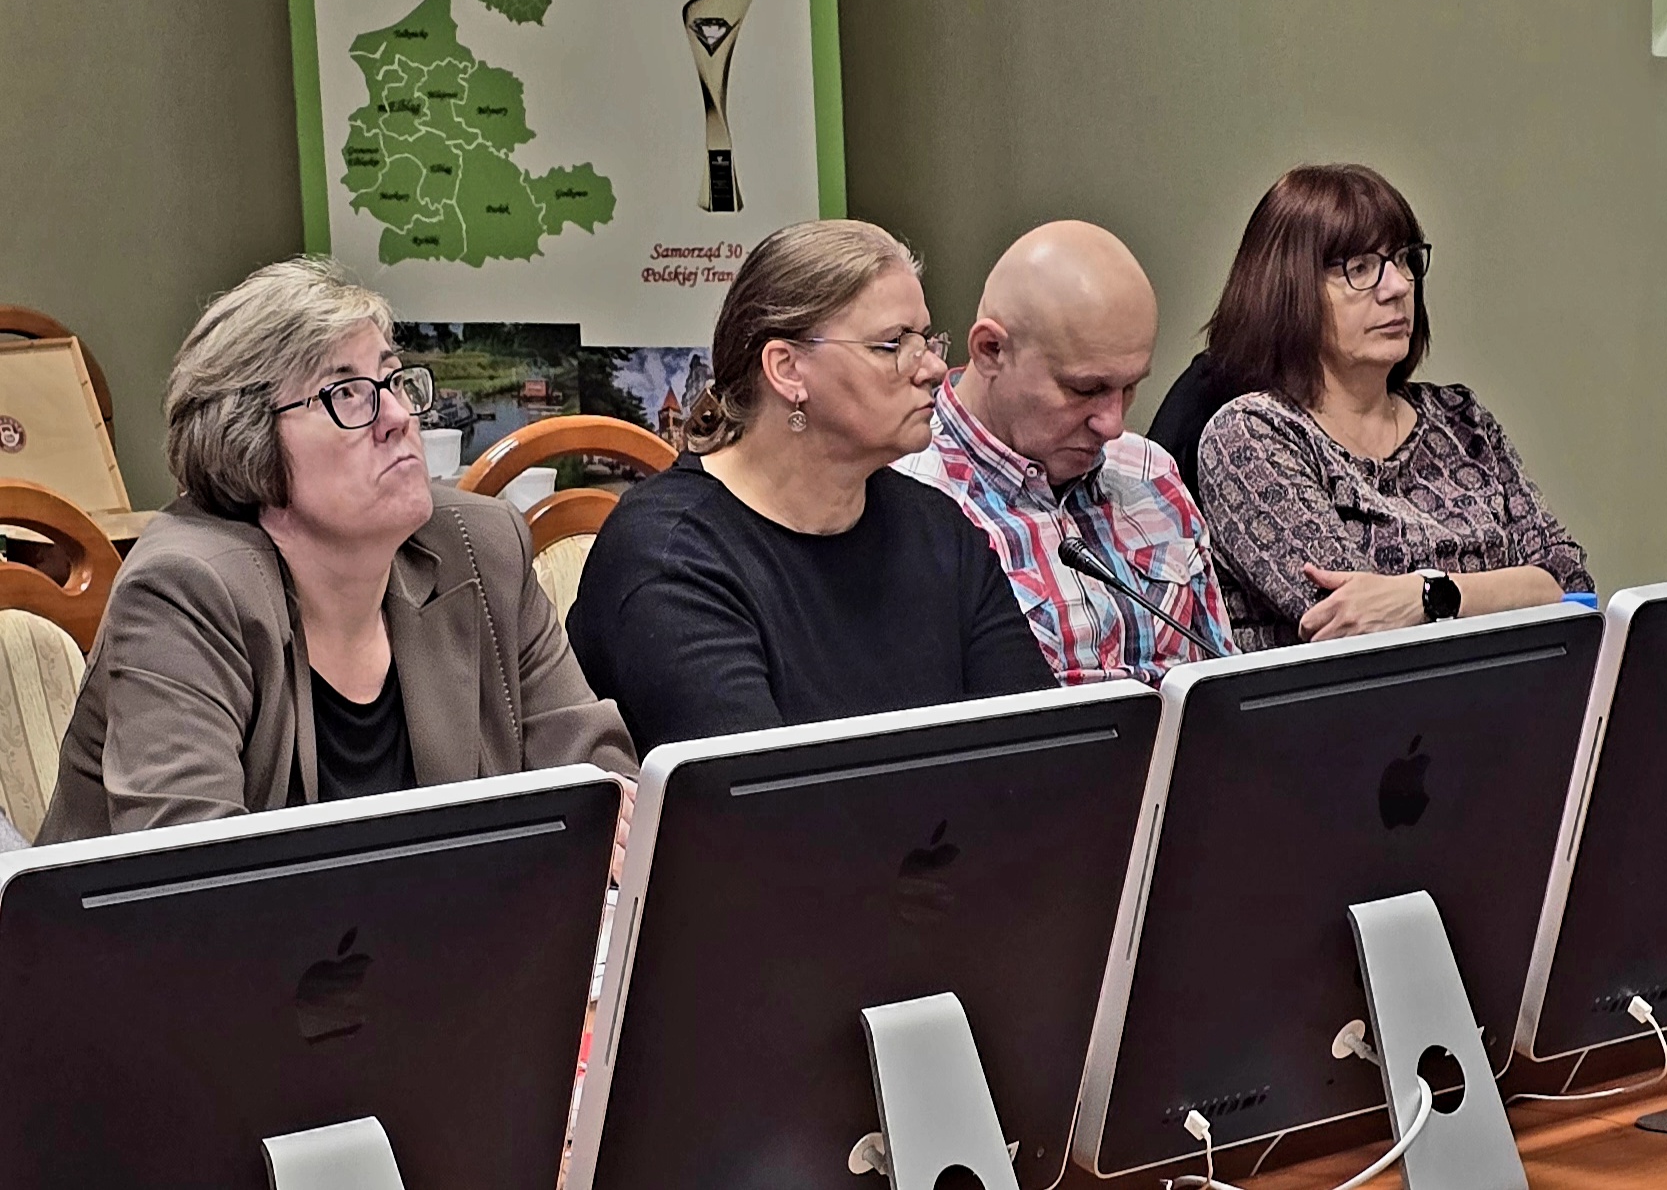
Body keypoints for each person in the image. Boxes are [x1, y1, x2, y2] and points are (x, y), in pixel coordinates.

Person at [38, 258, 636, 843]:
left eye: (394, 379)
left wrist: (606, 826)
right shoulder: (183, 592)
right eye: (347, 393)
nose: (398, 416)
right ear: (248, 441)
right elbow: (192, 874)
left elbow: (600, 783)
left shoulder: (481, 548)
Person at [567, 220, 1053, 757]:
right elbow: (759, 794)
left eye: (927, 339)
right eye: (893, 344)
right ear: (787, 369)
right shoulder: (669, 555)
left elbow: (1042, 750)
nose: (935, 368)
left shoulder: (940, 530)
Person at [1186, 164, 1592, 646]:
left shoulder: (1461, 419)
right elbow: (1356, 622)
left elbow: (1570, 584)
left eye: (1403, 259)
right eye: (1360, 268)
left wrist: (1429, 595)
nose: (1398, 286)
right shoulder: (1251, 435)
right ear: (1288, 290)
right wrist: (1510, 591)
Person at [897, 221, 1232, 683]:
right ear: (991, 350)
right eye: (1086, 389)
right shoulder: (908, 498)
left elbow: (1224, 681)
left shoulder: (1148, 469)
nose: (1113, 424)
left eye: (1129, 388)